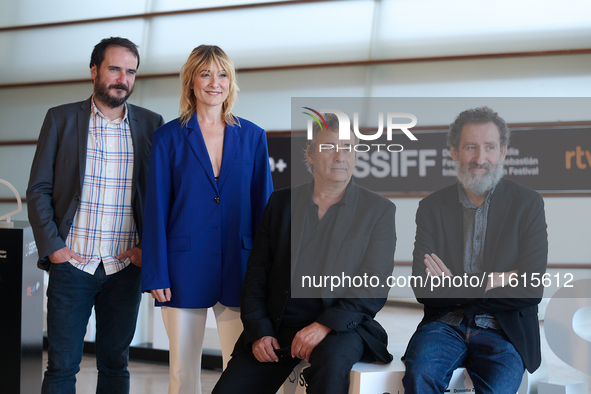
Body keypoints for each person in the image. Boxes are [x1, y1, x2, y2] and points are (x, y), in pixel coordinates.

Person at [212, 113, 397, 394]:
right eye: (329, 147)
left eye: (348, 147)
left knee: (332, 365)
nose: (340, 156)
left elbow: (373, 285)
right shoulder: (280, 203)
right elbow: (256, 276)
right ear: (310, 154)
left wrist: (323, 326)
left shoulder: (378, 210)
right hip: (277, 327)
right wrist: (259, 330)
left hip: (339, 329)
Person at [26, 37, 165, 394]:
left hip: (124, 269)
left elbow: (161, 198)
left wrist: (143, 250)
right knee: (60, 367)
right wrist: (54, 247)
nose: (123, 78)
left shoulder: (153, 125)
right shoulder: (60, 118)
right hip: (72, 265)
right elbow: (39, 189)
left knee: (116, 365)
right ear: (94, 71)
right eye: (114, 68)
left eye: (130, 71)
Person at [140, 45, 273, 394]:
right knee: (183, 374)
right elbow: (154, 208)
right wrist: (156, 272)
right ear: (191, 81)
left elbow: (265, 213)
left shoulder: (254, 137)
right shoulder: (168, 137)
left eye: (223, 74)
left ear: (231, 82)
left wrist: (268, 275)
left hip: (241, 269)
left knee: (242, 370)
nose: (215, 83)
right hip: (182, 270)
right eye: (205, 73)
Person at [402, 106, 548, 393]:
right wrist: (492, 280)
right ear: (455, 152)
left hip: (505, 330)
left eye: (489, 147)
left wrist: (456, 284)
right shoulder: (432, 207)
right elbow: (423, 287)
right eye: (471, 147)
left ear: (503, 152)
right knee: (419, 376)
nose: (480, 158)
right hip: (444, 325)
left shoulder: (528, 204)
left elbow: (531, 288)